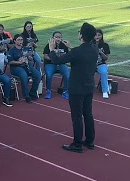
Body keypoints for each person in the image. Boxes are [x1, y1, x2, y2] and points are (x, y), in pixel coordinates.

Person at [48, 22, 98, 153]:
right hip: (89, 86)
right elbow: (80, 56)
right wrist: (71, 48)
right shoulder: (94, 49)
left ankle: (77, 143)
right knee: (88, 114)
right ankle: (90, 140)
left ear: (81, 35)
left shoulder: (77, 51)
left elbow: (58, 61)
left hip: (76, 88)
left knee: (77, 116)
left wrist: (52, 49)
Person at [7, 34, 40, 103]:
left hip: (26, 66)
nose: (20, 41)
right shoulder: (12, 50)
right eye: (18, 40)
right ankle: (26, 96)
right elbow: (10, 62)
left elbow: (30, 59)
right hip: (16, 68)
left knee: (38, 74)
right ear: (15, 41)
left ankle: (33, 92)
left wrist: (29, 57)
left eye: (21, 40)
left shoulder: (25, 48)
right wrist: (19, 62)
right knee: (24, 75)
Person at [42, 30, 71, 100]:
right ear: (53, 38)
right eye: (56, 37)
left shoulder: (64, 45)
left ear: (62, 38)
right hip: (50, 63)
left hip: (61, 64)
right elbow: (45, 56)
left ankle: (65, 91)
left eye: (59, 37)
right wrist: (53, 59)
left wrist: (62, 60)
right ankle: (48, 91)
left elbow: (67, 55)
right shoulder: (49, 45)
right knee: (49, 74)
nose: (58, 39)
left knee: (68, 74)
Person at [94, 28, 111, 98]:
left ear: (102, 36)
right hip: (91, 64)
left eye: (99, 35)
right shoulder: (90, 44)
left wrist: (101, 52)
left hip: (101, 64)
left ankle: (105, 91)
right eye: (95, 35)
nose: (97, 37)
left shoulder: (105, 45)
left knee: (104, 72)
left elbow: (106, 58)